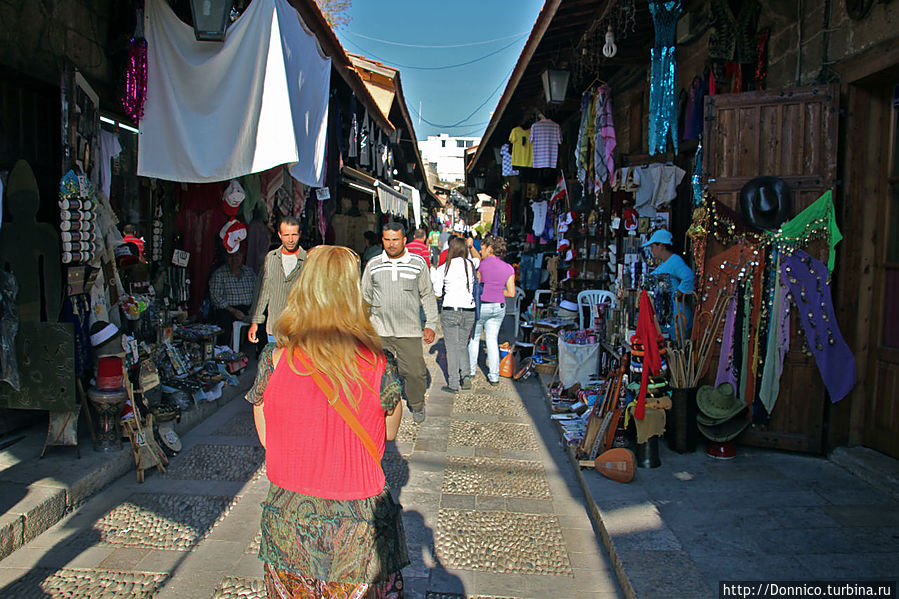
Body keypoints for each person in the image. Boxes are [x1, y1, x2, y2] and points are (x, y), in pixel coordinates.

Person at [246, 245, 408, 597]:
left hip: (289, 517)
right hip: (357, 521)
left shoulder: (274, 361)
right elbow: (389, 432)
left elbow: (267, 438)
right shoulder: (380, 363)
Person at [362, 222, 438, 423]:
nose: (391, 244)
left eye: (395, 239)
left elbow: (427, 295)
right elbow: (365, 298)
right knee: (376, 371)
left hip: (409, 330)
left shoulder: (417, 264)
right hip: (380, 330)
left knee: (415, 372)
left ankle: (416, 404)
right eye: (387, 240)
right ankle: (378, 407)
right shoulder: (373, 265)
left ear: (404, 240)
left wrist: (431, 323)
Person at [432, 236, 479, 392]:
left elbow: (437, 292)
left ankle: (453, 383)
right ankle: (465, 376)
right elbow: (478, 259)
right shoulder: (471, 265)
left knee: (451, 347)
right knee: (462, 344)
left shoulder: (443, 268)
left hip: (451, 309)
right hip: (469, 310)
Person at [248, 216, 306, 345]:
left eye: (294, 235)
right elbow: (263, 291)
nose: (290, 240)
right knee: (276, 363)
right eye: (286, 235)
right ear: (279, 235)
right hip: (275, 327)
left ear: (300, 234)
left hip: (299, 328)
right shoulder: (271, 258)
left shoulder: (308, 260)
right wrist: (255, 322)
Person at [468, 235, 515, 386]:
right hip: (499, 306)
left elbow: (477, 284)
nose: (481, 251)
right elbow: (512, 293)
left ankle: (471, 370)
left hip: (482, 305)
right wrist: (498, 292)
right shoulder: (509, 268)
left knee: (475, 338)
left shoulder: (482, 265)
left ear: (489, 248)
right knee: (492, 340)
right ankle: (494, 375)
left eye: (482, 248)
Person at [642, 229, 694, 340]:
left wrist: (678, 293)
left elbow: (689, 276)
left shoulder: (675, 261)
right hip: (666, 315)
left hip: (677, 316)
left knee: (676, 351)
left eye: (653, 246)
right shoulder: (664, 263)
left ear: (661, 245)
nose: (651, 250)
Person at [209, 245, 256, 346]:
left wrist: (253, 308)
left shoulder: (249, 272)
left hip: (248, 307)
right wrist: (233, 311)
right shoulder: (219, 274)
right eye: (231, 256)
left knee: (262, 317)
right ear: (226, 257)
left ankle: (260, 352)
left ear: (242, 256)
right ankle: (224, 350)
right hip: (228, 308)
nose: (234, 259)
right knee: (224, 319)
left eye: (237, 255)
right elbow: (215, 297)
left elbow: (257, 292)